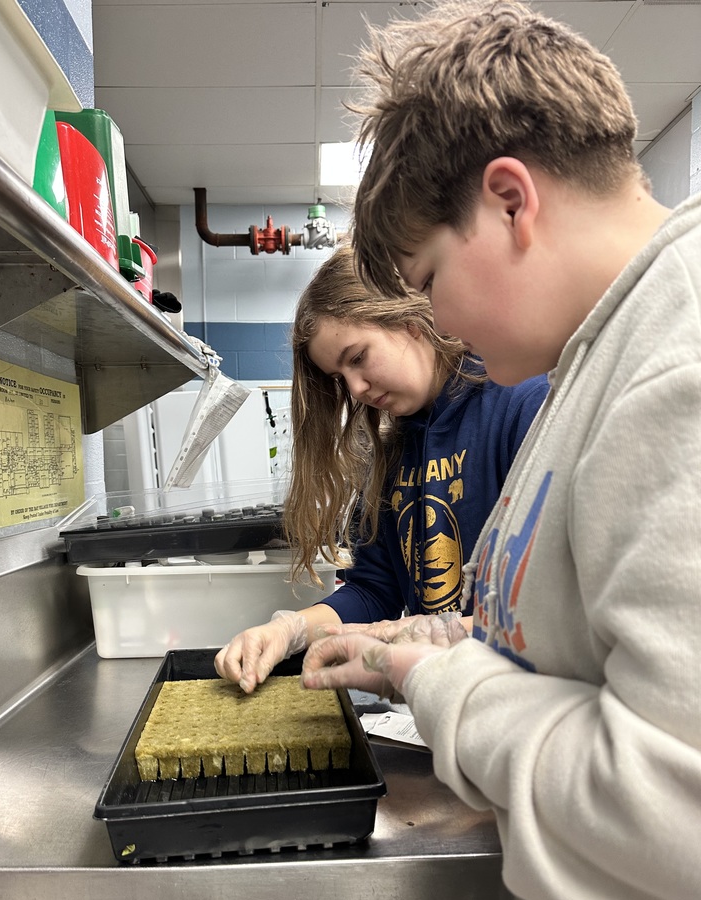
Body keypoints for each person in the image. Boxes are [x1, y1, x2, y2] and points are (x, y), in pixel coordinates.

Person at [300, 0, 701, 900]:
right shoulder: (591, 358)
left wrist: (436, 683)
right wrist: (402, 647)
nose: (438, 319)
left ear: (511, 200)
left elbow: (673, 817)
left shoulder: (677, 357)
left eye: (430, 279)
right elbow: (544, 644)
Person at [215, 243, 548, 691]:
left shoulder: (520, 403)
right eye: (340, 378)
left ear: (409, 321)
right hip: (439, 697)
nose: (355, 389)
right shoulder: (390, 447)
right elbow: (374, 591)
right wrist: (287, 631)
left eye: (357, 358)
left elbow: (549, 612)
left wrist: (414, 635)